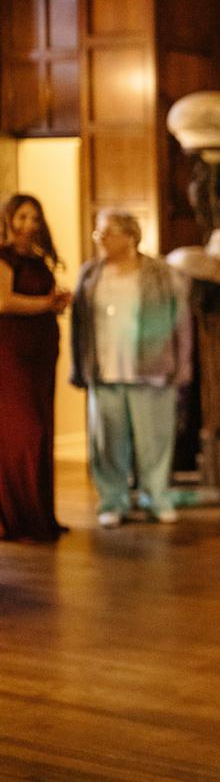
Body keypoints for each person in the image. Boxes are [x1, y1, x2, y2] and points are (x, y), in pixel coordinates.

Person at [69, 209, 193, 527]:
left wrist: (183, 363)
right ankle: (113, 500)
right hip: (105, 367)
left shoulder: (159, 272)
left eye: (108, 232)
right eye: (98, 233)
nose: (101, 239)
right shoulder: (90, 273)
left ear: (130, 236)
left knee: (154, 440)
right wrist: (79, 365)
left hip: (152, 368)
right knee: (106, 440)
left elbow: (180, 320)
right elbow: (79, 324)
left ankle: (156, 496)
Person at [0, 193, 71, 543]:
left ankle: (40, 514)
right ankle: (16, 517)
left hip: (42, 348)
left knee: (43, 427)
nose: (29, 224)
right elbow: (3, 300)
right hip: (11, 352)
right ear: (9, 219)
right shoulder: (3, 257)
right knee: (24, 432)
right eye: (23, 216)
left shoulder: (39, 259)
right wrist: (46, 303)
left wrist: (55, 304)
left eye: (35, 217)